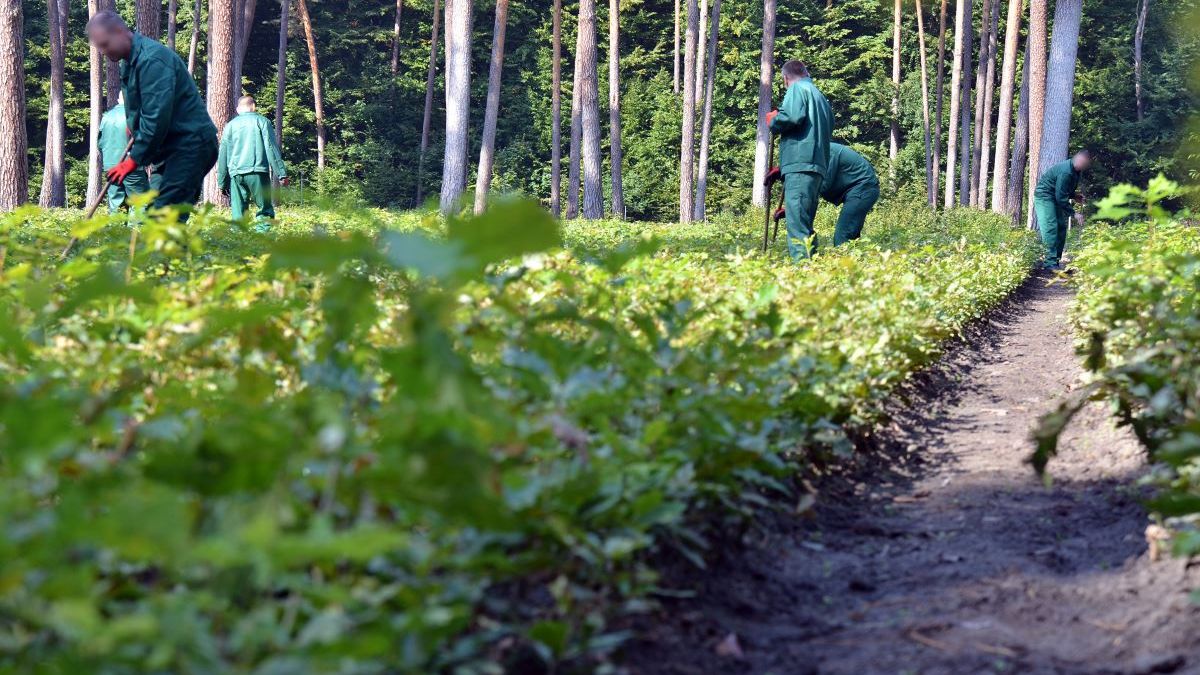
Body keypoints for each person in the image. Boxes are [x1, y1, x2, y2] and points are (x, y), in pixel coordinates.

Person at [87, 10, 218, 221]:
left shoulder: (152, 60)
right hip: (166, 150)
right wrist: (133, 125)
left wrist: (133, 160)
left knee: (165, 218)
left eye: (104, 44)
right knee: (154, 215)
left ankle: (172, 253)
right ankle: (165, 253)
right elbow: (139, 106)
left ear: (120, 31)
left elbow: (156, 116)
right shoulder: (129, 62)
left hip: (190, 146)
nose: (103, 51)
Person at [766, 60, 834, 260]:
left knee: (797, 228)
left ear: (786, 78)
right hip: (817, 166)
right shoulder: (820, 97)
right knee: (805, 224)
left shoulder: (796, 90)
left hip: (800, 164)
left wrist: (774, 120)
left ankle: (802, 276)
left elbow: (792, 117)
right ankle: (813, 271)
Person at [218, 95, 288, 227]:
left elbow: (223, 154)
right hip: (257, 172)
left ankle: (240, 244)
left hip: (236, 174)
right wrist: (281, 174)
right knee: (265, 211)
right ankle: (261, 242)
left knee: (238, 215)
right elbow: (271, 149)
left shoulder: (230, 126)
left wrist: (222, 182)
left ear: (238, 109)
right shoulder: (263, 122)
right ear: (254, 107)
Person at [1034, 149, 1092, 270]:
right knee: (1051, 227)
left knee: (1061, 227)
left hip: (1054, 196)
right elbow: (1060, 197)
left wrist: (1075, 196)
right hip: (1044, 196)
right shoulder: (1066, 171)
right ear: (1078, 159)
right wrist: (1074, 213)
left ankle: (1055, 261)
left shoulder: (1076, 171)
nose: (1084, 165)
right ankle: (1049, 263)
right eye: (1083, 162)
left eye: (1086, 164)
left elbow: (1064, 190)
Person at [97, 92, 153, 214]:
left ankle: (116, 231)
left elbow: (100, 143)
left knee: (116, 204)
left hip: (111, 166)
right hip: (131, 167)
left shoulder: (106, 117)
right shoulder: (135, 116)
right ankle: (135, 232)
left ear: (118, 99)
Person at [821, 143, 880, 246]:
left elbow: (825, 185)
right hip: (860, 189)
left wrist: (799, 202)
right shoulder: (824, 150)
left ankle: (842, 260)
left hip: (863, 188)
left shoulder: (827, 151)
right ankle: (855, 260)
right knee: (851, 238)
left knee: (843, 235)